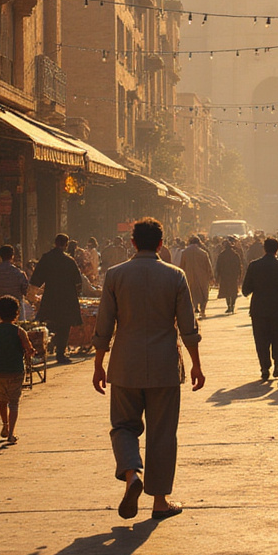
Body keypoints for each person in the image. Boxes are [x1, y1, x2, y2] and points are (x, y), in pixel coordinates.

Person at [93, 217, 204, 522]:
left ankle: (131, 474)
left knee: (123, 426)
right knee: (162, 433)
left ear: (132, 243)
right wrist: (196, 365)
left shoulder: (115, 275)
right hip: (164, 367)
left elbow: (104, 325)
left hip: (124, 365)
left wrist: (98, 364)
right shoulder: (175, 276)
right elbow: (187, 327)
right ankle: (159, 502)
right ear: (160, 244)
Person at [0, 295, 35, 445]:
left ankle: (4, 425)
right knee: (14, 403)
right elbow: (28, 349)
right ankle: (11, 433)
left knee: (2, 400)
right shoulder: (19, 331)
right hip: (16, 372)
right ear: (16, 313)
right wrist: (31, 352)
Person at [242, 237, 278, 380]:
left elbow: (245, 289)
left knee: (261, 339)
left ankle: (265, 367)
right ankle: (277, 363)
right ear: (277, 249)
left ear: (264, 249)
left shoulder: (254, 266)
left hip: (259, 309)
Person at [30, 233, 83, 363]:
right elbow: (78, 282)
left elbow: (36, 279)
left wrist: (32, 295)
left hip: (50, 297)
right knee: (64, 326)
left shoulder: (47, 258)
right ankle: (60, 354)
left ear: (55, 243)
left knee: (49, 322)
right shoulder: (69, 261)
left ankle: (48, 347)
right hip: (66, 299)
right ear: (65, 245)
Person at [0, 244, 30, 318]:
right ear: (12, 256)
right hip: (17, 309)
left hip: (1, 308)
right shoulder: (18, 273)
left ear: (0, 257)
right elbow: (26, 291)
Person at [179, 235, 213, 319]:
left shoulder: (184, 253)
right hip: (203, 277)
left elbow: (181, 266)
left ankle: (194, 309)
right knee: (204, 294)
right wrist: (211, 277)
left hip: (189, 277)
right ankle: (202, 310)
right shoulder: (203, 253)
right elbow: (208, 266)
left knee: (191, 294)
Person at [215, 238, 243, 314]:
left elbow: (218, 266)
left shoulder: (221, 255)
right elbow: (239, 266)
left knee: (227, 291)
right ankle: (233, 305)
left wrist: (217, 276)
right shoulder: (235, 254)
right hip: (233, 275)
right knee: (234, 291)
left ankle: (229, 306)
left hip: (224, 276)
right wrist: (240, 275)